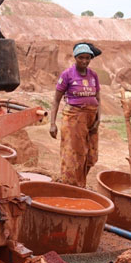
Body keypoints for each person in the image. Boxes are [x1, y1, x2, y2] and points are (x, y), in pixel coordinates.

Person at [49, 43, 101, 187]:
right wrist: (52, 124)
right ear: (75, 58)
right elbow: (56, 100)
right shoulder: (67, 75)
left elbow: (98, 98)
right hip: (73, 118)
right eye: (81, 58)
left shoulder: (93, 75)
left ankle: (79, 184)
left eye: (88, 58)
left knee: (91, 156)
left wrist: (98, 119)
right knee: (73, 155)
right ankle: (70, 187)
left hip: (91, 119)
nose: (84, 61)